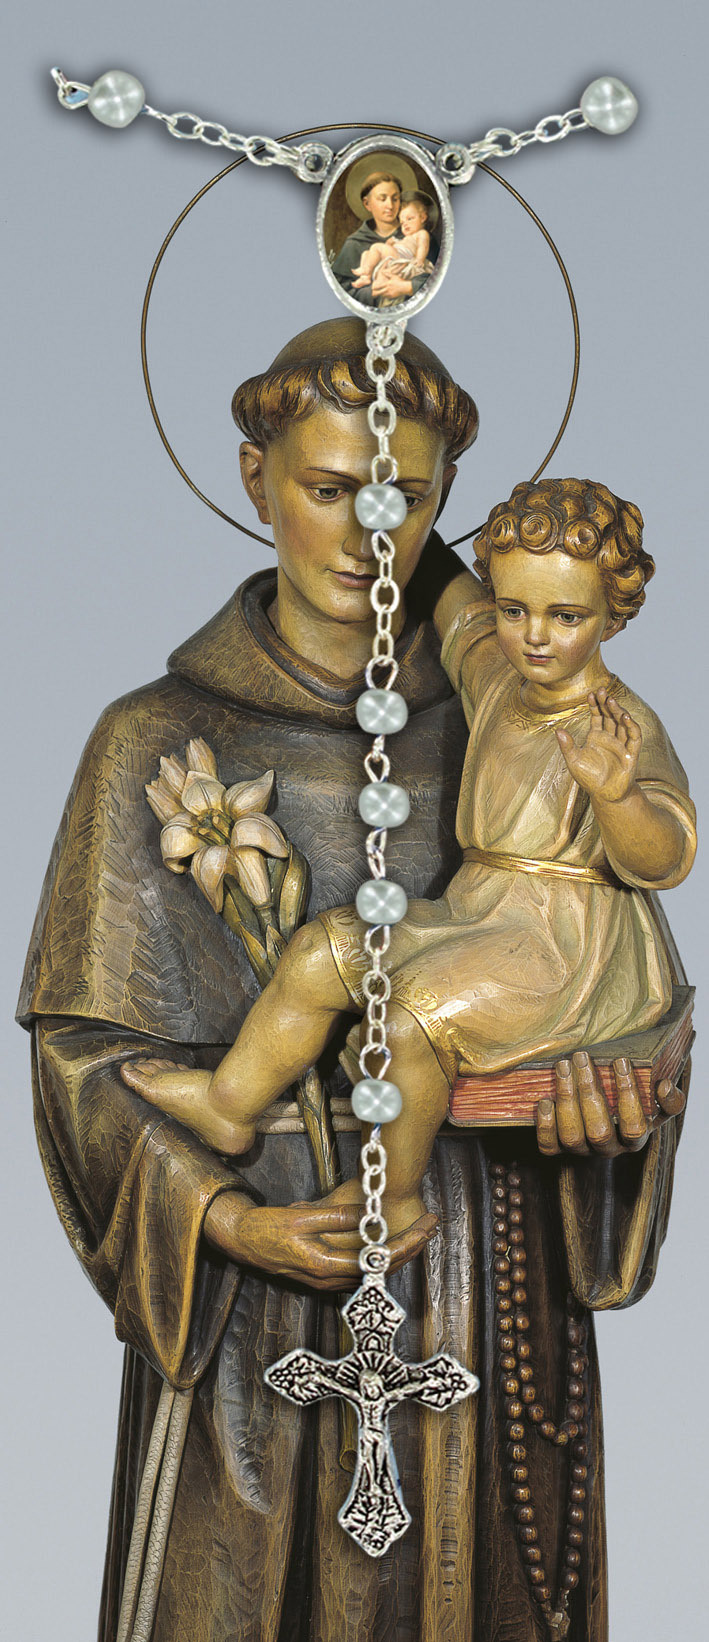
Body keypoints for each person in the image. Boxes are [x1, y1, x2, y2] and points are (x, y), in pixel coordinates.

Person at [18, 319, 689, 1642]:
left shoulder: (516, 711)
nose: (369, 536)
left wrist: (609, 1120)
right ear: (255, 475)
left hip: (483, 1299)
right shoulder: (154, 740)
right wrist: (226, 1218)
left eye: (407, 498)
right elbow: (84, 1061)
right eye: (330, 489)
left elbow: (620, 977)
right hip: (258, 1322)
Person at [122, 476, 696, 1246]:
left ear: (611, 615)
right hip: (478, 913)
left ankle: (391, 1197)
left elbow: (665, 858)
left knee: (407, 1014)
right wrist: (386, 493)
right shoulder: (497, 674)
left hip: (565, 945)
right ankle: (230, 1104)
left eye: (565, 617)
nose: (533, 635)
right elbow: (450, 594)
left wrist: (616, 795)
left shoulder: (620, 726)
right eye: (514, 609)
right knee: (321, 953)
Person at [331, 174, 439, 306]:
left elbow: (438, 279)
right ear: (367, 204)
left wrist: (407, 287)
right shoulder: (354, 243)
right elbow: (339, 292)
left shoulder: (419, 236)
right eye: (382, 199)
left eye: (395, 199)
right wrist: (374, 291)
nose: (390, 205)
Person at [351, 193, 437, 304]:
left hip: (402, 257)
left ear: (423, 217)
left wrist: (420, 259)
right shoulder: (405, 237)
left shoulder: (422, 233)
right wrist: (390, 244)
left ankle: (366, 272)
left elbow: (423, 246)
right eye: (402, 222)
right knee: (366, 254)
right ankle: (366, 277)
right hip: (395, 256)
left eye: (410, 219)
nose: (405, 224)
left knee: (376, 247)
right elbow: (398, 247)